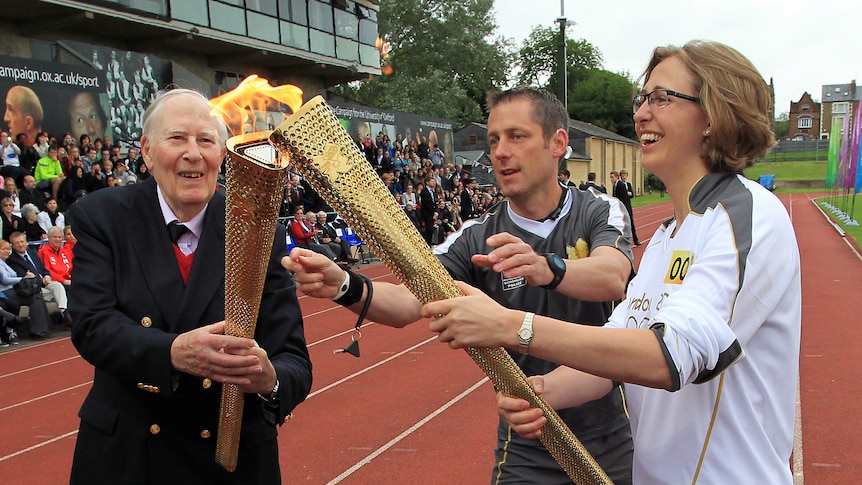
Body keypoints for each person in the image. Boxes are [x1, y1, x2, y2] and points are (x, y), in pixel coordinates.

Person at [426, 41, 800, 484]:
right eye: (641, 99)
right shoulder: (665, 240)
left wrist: (511, 326)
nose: (641, 113)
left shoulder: (745, 214)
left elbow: (667, 357)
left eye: (661, 98)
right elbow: (611, 351)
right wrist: (541, 392)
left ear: (714, 115)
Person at [284, 87, 636, 484]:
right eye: (494, 140)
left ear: (558, 143)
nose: (500, 152)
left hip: (607, 437)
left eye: (516, 136)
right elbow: (410, 300)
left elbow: (612, 276)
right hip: (526, 441)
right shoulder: (476, 236)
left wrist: (547, 267)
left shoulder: (598, 209)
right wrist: (344, 284)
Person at [66, 88, 312, 483]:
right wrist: (173, 352)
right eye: (177, 138)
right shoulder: (102, 217)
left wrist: (270, 379)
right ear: (146, 151)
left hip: (229, 462)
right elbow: (93, 326)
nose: (193, 153)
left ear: (222, 155)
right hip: (130, 457)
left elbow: (294, 361)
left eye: (205, 140)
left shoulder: (256, 225)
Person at [7, 231, 69, 324]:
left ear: (26, 242)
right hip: (33, 287)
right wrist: (29, 277)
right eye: (17, 243)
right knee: (61, 290)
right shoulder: (12, 259)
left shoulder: (32, 253)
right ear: (13, 245)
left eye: (22, 242)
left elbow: (44, 269)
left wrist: (47, 276)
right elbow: (21, 277)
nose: (20, 245)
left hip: (45, 283)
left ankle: (65, 314)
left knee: (58, 286)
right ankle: (67, 316)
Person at [0, 238, 50, 340]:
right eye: (3, 249)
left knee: (35, 296)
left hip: (11, 290)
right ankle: (38, 330)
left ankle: (40, 330)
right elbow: (4, 280)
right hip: (4, 293)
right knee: (34, 296)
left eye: (7, 249)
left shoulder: (5, 262)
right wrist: (22, 279)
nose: (7, 251)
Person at [610, 170, 639, 246]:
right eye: (610, 177)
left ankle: (635, 240)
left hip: (625, 207)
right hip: (619, 208)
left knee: (629, 223)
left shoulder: (621, 185)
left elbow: (624, 198)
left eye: (612, 177)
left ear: (617, 177)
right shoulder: (615, 185)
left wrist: (624, 208)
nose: (611, 179)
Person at [419, 175, 437, 246]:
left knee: (431, 229)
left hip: (432, 213)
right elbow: (426, 204)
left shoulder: (432, 192)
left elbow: (434, 202)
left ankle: (430, 243)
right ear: (427, 182)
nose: (433, 183)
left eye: (434, 182)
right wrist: (433, 212)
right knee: (428, 229)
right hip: (427, 213)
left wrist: (435, 211)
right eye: (432, 181)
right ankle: (427, 244)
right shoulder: (424, 191)